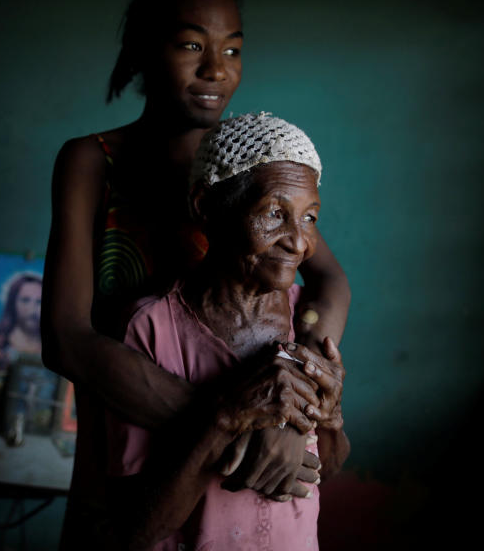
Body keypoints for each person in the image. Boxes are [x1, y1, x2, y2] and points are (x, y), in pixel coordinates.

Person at [40, 0, 351, 547]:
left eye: (233, 50)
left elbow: (330, 285)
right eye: (191, 44)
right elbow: (66, 338)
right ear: (143, 50)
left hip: (243, 455)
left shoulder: (251, 168)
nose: (217, 70)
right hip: (131, 441)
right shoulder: (93, 162)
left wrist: (292, 403)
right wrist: (233, 423)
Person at [104, 113, 349, 550]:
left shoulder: (305, 321)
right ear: (206, 206)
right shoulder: (151, 328)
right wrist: (224, 419)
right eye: (276, 213)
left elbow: (322, 472)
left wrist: (328, 420)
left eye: (309, 217)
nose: (298, 242)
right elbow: (132, 530)